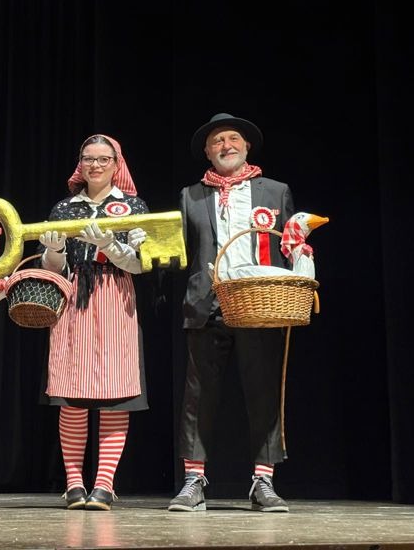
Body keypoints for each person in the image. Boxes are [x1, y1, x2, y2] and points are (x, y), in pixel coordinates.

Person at [169, 113, 294, 513]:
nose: (226, 146)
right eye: (217, 141)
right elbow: (179, 254)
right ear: (208, 152)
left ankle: (263, 481)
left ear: (247, 146)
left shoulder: (275, 191)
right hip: (206, 304)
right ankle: (193, 480)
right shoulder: (191, 196)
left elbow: (290, 246)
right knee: (198, 397)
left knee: (263, 392)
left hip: (258, 303)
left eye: (233, 138)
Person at [39, 134, 148, 511]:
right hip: (73, 298)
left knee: (116, 394)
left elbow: (140, 264)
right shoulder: (64, 208)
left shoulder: (132, 206)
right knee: (72, 393)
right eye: (89, 158)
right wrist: (54, 251)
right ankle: (73, 484)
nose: (96, 165)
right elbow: (52, 269)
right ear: (80, 163)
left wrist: (111, 247)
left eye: (104, 159)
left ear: (117, 165)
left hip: (115, 296)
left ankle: (103, 485)